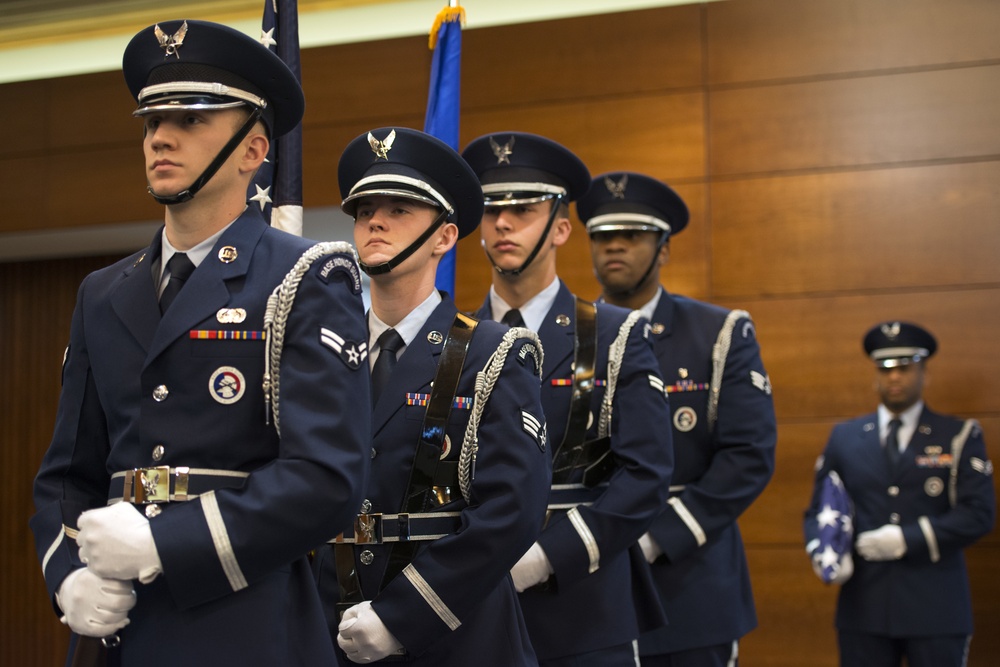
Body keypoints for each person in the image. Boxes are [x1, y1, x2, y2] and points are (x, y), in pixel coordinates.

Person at [29, 20, 372, 665]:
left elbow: (327, 478)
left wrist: (169, 542)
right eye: (152, 120)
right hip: (115, 625)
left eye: (191, 118)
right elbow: (67, 475)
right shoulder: (102, 292)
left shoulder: (306, 277)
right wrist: (66, 575)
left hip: (242, 623)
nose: (160, 136)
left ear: (253, 151)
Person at [311, 127, 551, 665]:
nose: (375, 220)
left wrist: (404, 615)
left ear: (444, 238)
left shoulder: (492, 352)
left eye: (399, 209)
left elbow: (513, 510)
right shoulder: (320, 348)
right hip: (327, 624)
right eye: (365, 208)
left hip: (452, 633)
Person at [462, 132, 674, 666]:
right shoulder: (454, 340)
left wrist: (548, 557)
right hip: (471, 604)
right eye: (490, 211)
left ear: (560, 228)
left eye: (523, 210)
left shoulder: (614, 335)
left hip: (583, 605)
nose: (503, 224)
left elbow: (646, 474)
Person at [578, 171, 777, 666]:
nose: (615, 247)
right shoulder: (569, 336)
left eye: (633, 235)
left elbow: (747, 458)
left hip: (689, 581)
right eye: (602, 236)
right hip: (584, 584)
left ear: (664, 248)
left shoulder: (719, 333)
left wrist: (658, 537)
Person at [804, 321, 996, 667]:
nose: (894, 378)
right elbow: (818, 510)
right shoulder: (845, 438)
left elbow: (979, 513)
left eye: (905, 368)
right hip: (864, 609)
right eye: (885, 369)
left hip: (936, 608)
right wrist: (823, 552)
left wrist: (907, 539)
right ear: (875, 375)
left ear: (925, 373)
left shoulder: (958, 436)